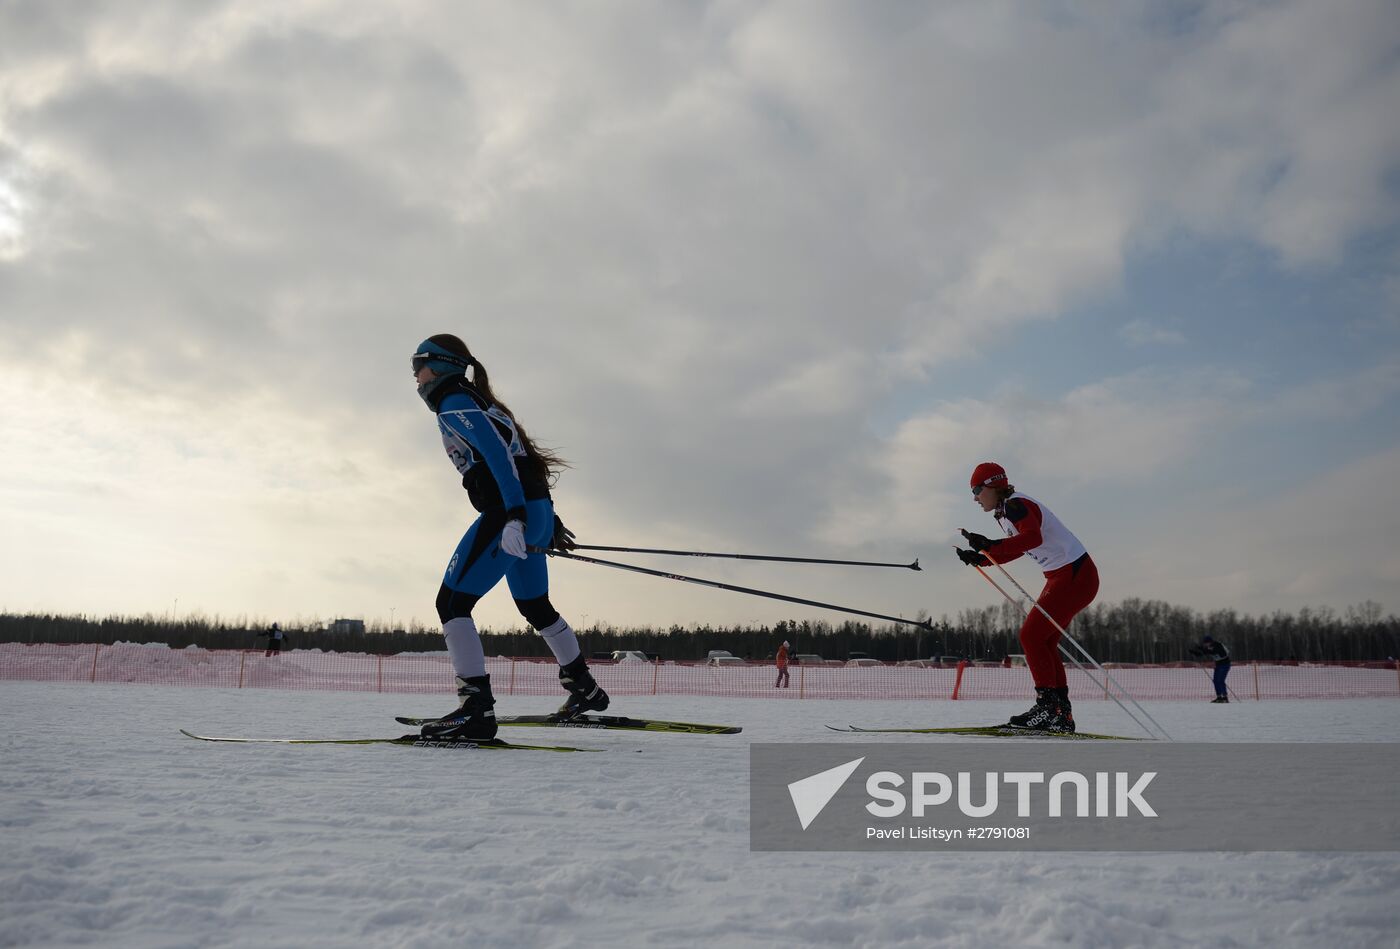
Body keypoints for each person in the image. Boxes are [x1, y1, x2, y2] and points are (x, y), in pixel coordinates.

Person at [411, 334, 609, 740]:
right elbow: (523, 460)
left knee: (451, 603)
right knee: (536, 606)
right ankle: (583, 688)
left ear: (443, 365)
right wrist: (545, 517)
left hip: (509, 513)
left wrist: (516, 517)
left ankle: (475, 710)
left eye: (419, 364)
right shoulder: (478, 401)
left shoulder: (455, 402)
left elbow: (500, 458)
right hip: (532, 509)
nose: (415, 374)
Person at [955, 462, 1099, 733]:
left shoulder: (1015, 505)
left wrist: (992, 545)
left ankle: (1047, 709)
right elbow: (1019, 548)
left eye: (976, 489)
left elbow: (1031, 539)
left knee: (1031, 637)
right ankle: (1060, 714)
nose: (974, 498)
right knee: (1043, 641)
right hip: (1067, 576)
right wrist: (983, 558)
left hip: (1073, 575)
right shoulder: (1004, 512)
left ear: (992, 486)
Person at [1189, 634, 1231, 703]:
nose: (1205, 644)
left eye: (1206, 643)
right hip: (1218, 665)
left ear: (1210, 642)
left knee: (1220, 680)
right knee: (1215, 680)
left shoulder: (1217, 645)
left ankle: (1224, 697)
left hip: (1225, 664)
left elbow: (1213, 651)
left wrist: (1202, 649)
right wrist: (1195, 653)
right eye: (1205, 643)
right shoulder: (1209, 647)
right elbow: (1205, 652)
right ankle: (1219, 697)